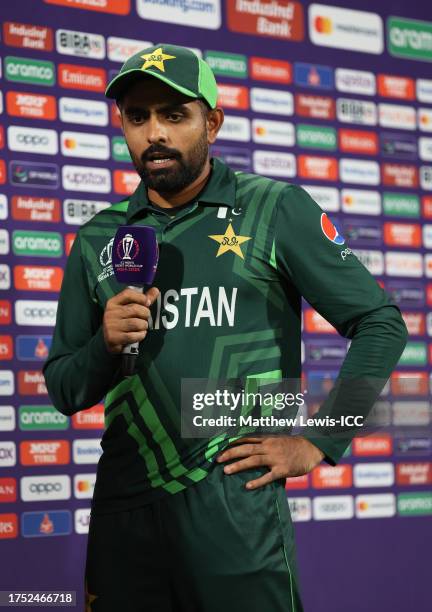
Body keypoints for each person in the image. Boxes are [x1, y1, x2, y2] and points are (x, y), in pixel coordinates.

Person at [43, 44, 408, 612]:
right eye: (137, 117)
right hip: (125, 505)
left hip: (234, 503)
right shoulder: (99, 238)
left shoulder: (272, 208)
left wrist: (319, 440)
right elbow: (66, 388)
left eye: (174, 115)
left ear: (211, 121)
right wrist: (104, 345)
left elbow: (381, 324)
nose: (154, 133)